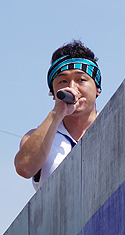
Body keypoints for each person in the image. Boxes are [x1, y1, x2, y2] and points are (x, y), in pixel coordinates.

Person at [14, 40, 101, 191]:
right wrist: (58, 112)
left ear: (97, 88)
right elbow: (25, 168)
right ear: (54, 93)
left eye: (81, 80)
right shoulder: (35, 136)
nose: (72, 88)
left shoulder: (115, 125)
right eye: (63, 81)